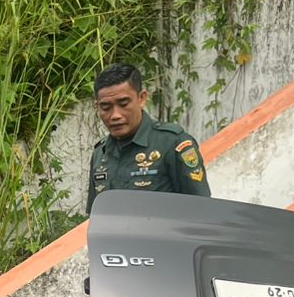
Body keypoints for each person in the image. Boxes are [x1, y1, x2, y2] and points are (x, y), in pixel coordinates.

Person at [86, 64, 210, 212]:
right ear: (97, 106)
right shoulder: (100, 154)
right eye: (106, 107)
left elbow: (201, 209)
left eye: (123, 104)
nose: (115, 115)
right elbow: (96, 215)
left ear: (142, 98)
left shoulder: (172, 144)